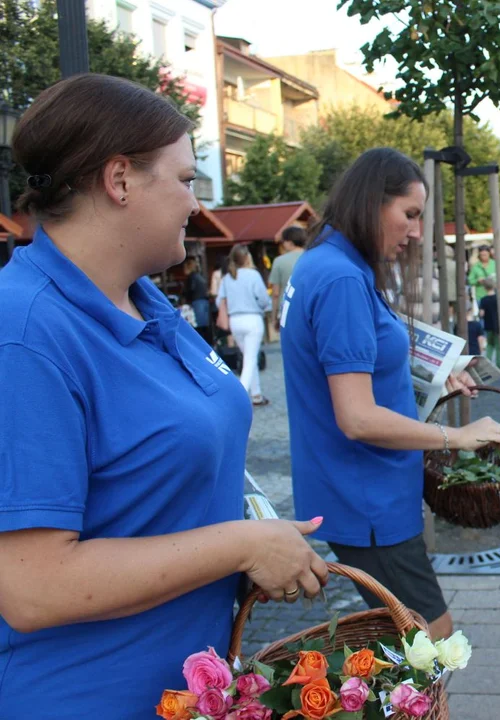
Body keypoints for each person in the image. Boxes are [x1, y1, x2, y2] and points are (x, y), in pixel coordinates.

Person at [0, 74, 328, 718]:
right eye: (183, 179)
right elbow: (31, 587)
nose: (192, 200)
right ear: (119, 180)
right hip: (88, 694)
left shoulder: (146, 300)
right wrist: (241, 546)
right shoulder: (26, 332)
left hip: (185, 687)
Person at [281, 148, 500, 641]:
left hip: (362, 491)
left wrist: (429, 375)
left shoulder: (326, 263)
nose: (415, 232)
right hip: (369, 498)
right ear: (370, 203)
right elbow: (357, 417)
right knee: (435, 641)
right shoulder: (342, 277)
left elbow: (349, 366)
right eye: (408, 214)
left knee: (401, 646)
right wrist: (456, 436)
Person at [217, 244, 272, 406]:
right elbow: (263, 299)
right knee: (250, 358)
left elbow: (220, 299)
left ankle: (256, 394)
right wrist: (266, 308)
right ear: (248, 257)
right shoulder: (253, 275)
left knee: (249, 357)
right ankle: (239, 397)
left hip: (235, 320)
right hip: (252, 318)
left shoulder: (227, 278)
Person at [269, 225, 306, 323]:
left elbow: (275, 293)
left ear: (289, 242)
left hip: (287, 309)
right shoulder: (313, 257)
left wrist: (274, 317)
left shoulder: (279, 261)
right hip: (308, 306)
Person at [183, 255, 212, 344]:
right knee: (205, 326)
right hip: (204, 302)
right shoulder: (199, 276)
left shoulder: (191, 277)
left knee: (198, 327)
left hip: (197, 302)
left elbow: (190, 290)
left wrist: (186, 298)